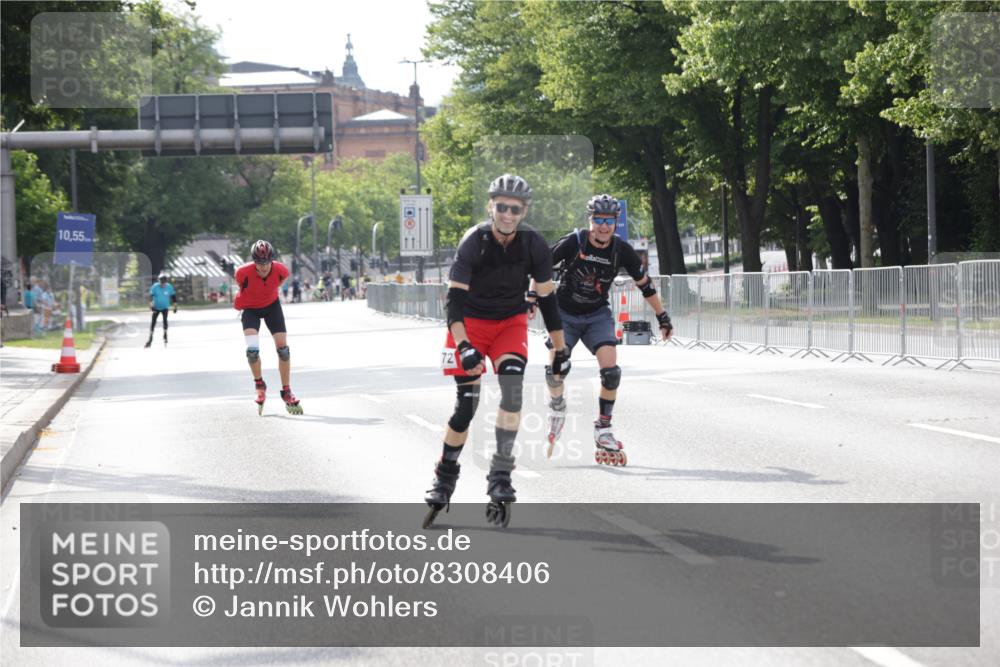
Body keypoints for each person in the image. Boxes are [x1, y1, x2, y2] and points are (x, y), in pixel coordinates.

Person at [423, 174, 571, 529]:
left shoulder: (535, 244)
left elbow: (548, 301)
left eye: (514, 209)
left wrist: (561, 349)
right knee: (466, 407)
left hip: (509, 323)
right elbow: (454, 304)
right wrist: (464, 347)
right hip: (469, 325)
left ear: (524, 210)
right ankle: (445, 477)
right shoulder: (474, 241)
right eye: (501, 206)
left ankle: (500, 474)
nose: (507, 214)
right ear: (491, 205)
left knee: (513, 392)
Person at [536, 194, 673, 466]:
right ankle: (557, 406)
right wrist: (530, 298)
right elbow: (540, 269)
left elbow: (645, 285)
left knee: (611, 373)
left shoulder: (621, 250)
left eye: (609, 221)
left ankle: (604, 428)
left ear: (615, 223)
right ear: (590, 220)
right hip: (564, 313)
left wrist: (663, 316)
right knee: (556, 370)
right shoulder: (574, 241)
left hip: (597, 314)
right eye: (598, 220)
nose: (603, 226)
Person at [234, 240, 302, 415]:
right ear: (253, 261)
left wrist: (267, 294)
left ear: (272, 260)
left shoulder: (281, 270)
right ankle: (259, 384)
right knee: (252, 351)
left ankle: (286, 391)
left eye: (266, 263)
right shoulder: (242, 272)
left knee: (283, 350)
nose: (263, 267)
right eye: (259, 263)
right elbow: (243, 286)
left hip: (272, 307)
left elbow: (276, 283)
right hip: (250, 310)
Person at [145, 274, 176, 347]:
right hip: (156, 307)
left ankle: (165, 335)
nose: (162, 284)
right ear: (159, 281)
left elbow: (173, 297)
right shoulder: (155, 287)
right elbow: (151, 297)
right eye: (161, 283)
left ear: (166, 282)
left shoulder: (169, 287)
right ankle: (150, 339)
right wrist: (151, 306)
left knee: (165, 321)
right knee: (153, 322)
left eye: (164, 283)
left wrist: (175, 307)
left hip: (165, 307)